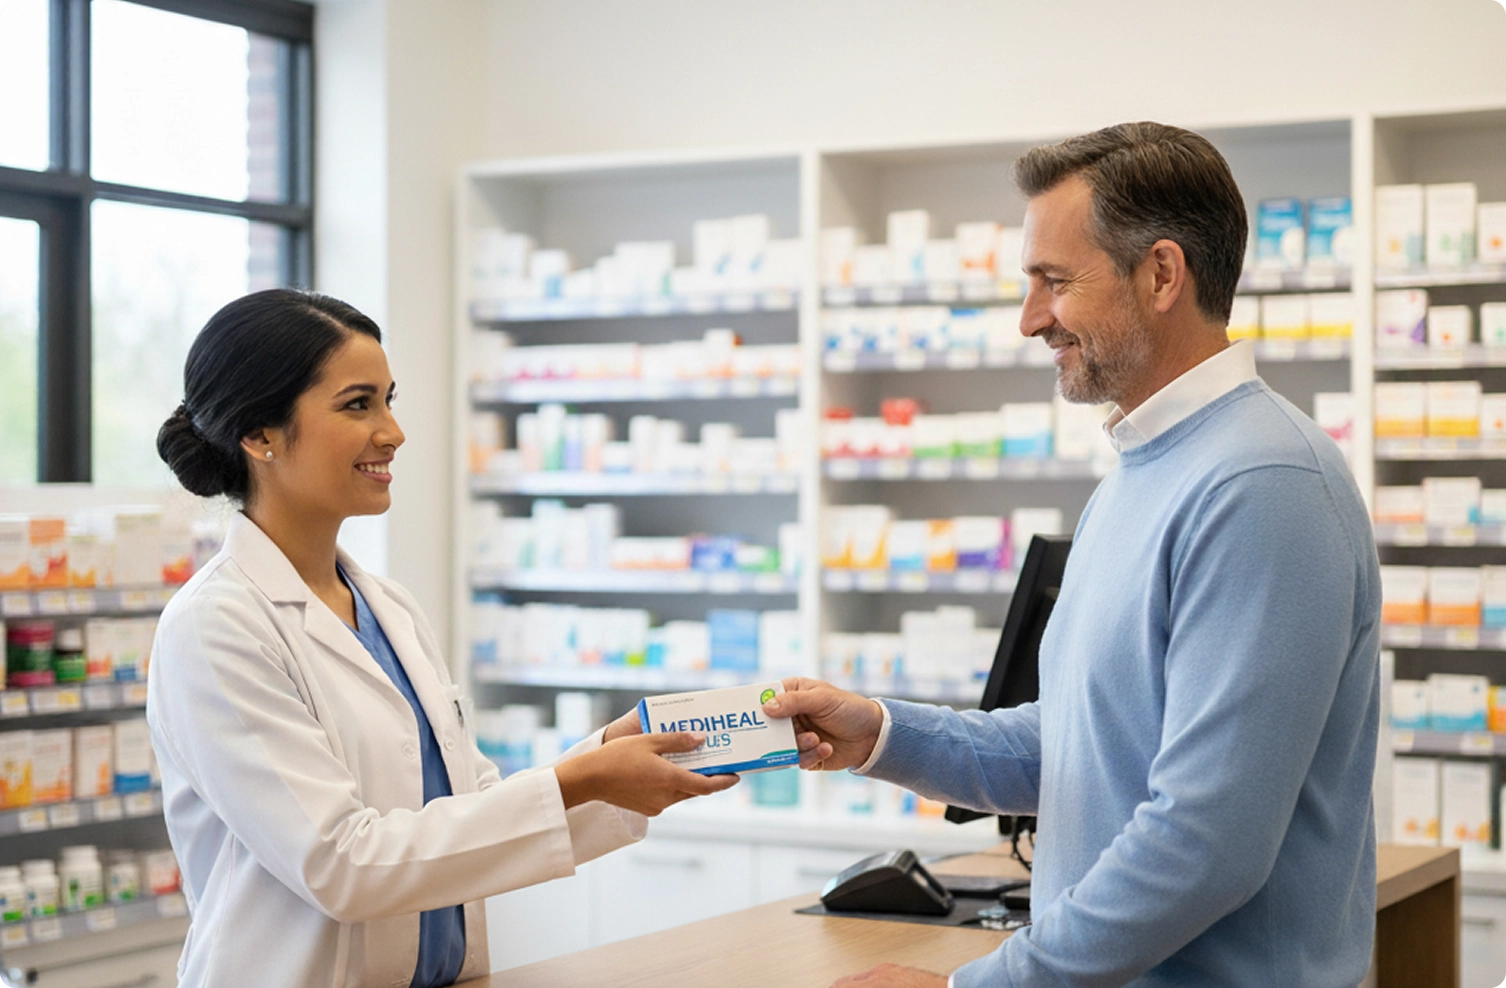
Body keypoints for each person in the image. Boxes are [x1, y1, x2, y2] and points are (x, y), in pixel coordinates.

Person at [767, 123, 1380, 988]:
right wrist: (885, 733)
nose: (1029, 320)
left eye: (1054, 282)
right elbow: (1086, 741)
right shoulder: (1139, 471)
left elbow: (1207, 843)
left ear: (1162, 273)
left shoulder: (1263, 483)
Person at [148, 289, 737, 988]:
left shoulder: (387, 607)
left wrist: (606, 767)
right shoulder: (216, 627)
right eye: (358, 404)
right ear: (260, 434)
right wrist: (578, 781)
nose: (393, 432)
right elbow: (342, 864)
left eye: (389, 401)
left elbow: (467, 809)